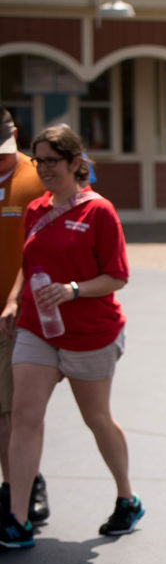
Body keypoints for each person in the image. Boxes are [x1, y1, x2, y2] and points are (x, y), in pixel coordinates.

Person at [0, 124, 144, 549]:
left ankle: (126, 497)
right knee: (25, 416)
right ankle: (18, 519)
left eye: (51, 161)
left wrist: (73, 290)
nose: (43, 168)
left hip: (89, 331)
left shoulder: (98, 211)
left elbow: (117, 276)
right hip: (36, 328)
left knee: (96, 419)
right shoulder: (35, 209)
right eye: (38, 159)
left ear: (75, 163)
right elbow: (29, 264)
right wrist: (13, 301)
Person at [0, 106, 50, 525]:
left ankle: (21, 490)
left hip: (17, 316)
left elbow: (36, 252)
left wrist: (15, 299)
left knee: (13, 411)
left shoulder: (36, 180)